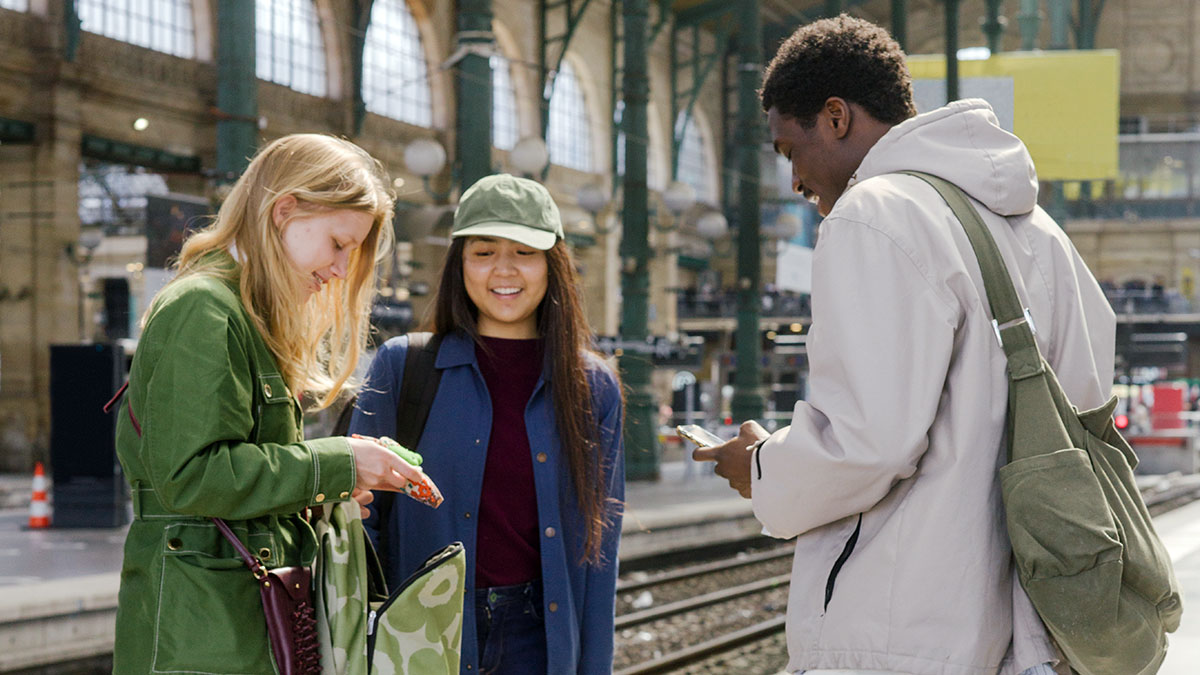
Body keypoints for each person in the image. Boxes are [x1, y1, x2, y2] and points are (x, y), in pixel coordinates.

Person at [693, 16, 1115, 675]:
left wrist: (762, 464)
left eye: (788, 150)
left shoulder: (875, 213)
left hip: (905, 632)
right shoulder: (1038, 231)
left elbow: (868, 441)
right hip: (1034, 634)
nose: (796, 181)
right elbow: (1087, 405)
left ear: (835, 117)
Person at [112, 134, 432, 673]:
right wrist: (338, 462)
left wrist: (329, 479)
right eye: (337, 243)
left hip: (223, 619)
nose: (340, 269)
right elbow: (192, 475)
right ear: (284, 210)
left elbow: (232, 470)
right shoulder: (203, 308)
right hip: (201, 632)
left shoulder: (239, 312)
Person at [350, 173, 625, 675]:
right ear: (460, 263)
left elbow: (598, 556)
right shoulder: (402, 367)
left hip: (536, 640)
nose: (504, 269)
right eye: (484, 251)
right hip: (418, 631)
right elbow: (355, 524)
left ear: (553, 264)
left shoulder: (593, 387)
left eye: (524, 252)